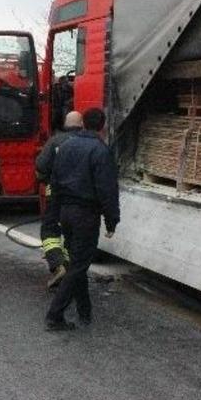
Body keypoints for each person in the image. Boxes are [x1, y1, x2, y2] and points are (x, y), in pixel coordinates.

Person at [45, 108, 120, 331]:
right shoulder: (100, 150)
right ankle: (55, 314)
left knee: (77, 262)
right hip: (86, 215)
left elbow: (55, 181)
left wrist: (55, 212)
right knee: (78, 266)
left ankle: (84, 311)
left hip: (66, 213)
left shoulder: (65, 146)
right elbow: (107, 189)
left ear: (84, 124)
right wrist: (112, 220)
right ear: (103, 127)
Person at [35, 111, 83, 290]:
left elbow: (40, 166)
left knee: (49, 229)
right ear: (82, 125)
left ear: (65, 124)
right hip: (80, 198)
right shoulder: (90, 142)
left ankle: (57, 264)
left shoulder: (56, 141)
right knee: (72, 234)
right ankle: (70, 269)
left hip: (55, 193)